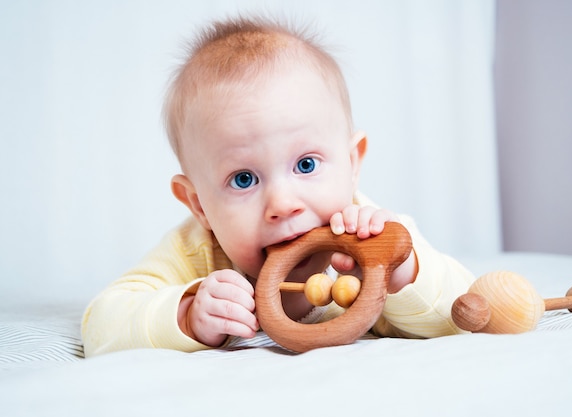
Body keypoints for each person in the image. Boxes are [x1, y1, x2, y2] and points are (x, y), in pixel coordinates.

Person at [81, 14, 474, 357]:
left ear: (351, 163)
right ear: (199, 205)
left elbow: (464, 310)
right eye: (243, 179)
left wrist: (401, 272)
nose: (283, 204)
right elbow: (100, 326)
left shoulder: (374, 237)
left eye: (305, 165)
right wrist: (186, 314)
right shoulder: (197, 251)